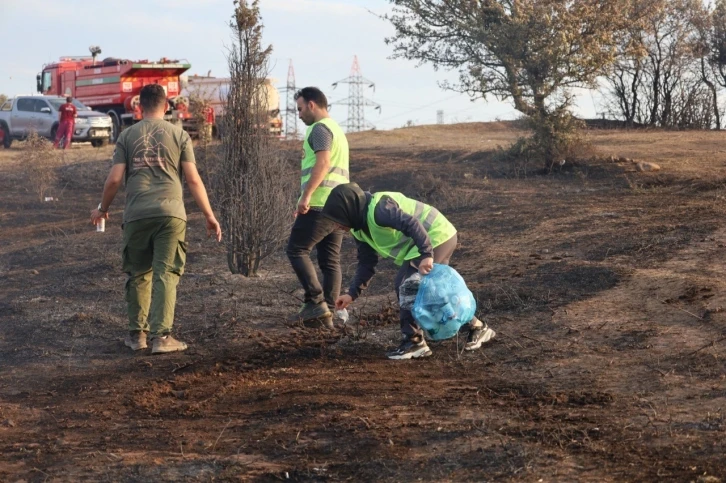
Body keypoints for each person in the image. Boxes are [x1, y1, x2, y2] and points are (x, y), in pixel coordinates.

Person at [89, 84, 222, 354]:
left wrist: (102, 208)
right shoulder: (180, 135)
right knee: (166, 274)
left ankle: (137, 336)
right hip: (171, 215)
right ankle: (162, 338)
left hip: (137, 214)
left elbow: (115, 179)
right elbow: (194, 180)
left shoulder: (127, 136)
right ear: (166, 106)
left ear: (139, 107)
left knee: (138, 274)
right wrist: (209, 215)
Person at [321, 183, 496, 360]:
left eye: (337, 219)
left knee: (407, 284)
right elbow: (367, 263)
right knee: (433, 292)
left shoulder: (379, 210)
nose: (336, 226)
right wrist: (352, 294)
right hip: (429, 241)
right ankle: (477, 327)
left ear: (348, 210)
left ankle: (414, 342)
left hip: (436, 236)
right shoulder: (359, 230)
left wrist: (426, 253)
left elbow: (411, 224)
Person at [286, 87, 350, 328]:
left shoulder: (320, 129)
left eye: (300, 109)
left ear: (312, 105)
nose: (299, 115)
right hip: (340, 206)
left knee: (296, 250)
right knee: (330, 261)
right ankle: (328, 317)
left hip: (321, 203)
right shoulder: (338, 131)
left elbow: (323, 164)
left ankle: (315, 302)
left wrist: (306, 195)